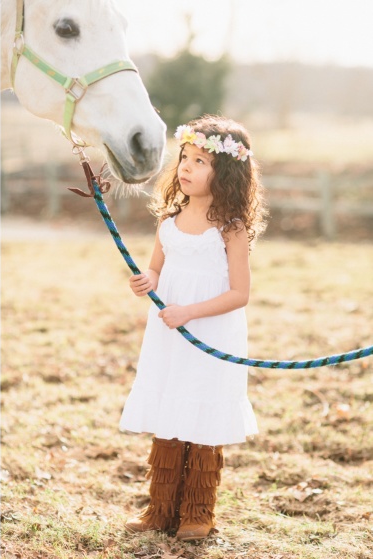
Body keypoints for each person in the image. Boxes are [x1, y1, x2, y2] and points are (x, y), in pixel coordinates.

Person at [120, 115, 268, 541]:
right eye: (185, 157)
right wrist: (146, 281)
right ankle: (160, 508)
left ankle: (197, 511)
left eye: (200, 161)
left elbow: (239, 293)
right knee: (169, 407)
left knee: (202, 410)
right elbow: (156, 269)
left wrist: (190, 312)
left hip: (210, 331)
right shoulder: (170, 218)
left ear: (226, 173)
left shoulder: (230, 227)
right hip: (169, 332)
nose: (185, 167)